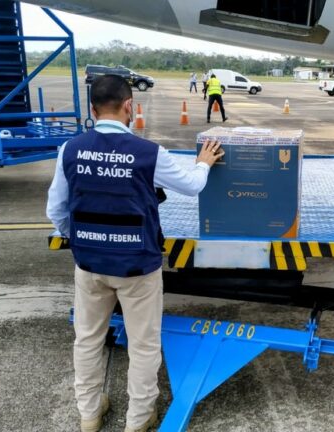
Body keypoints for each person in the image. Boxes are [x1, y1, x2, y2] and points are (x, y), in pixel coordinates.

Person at [46, 75, 224, 432]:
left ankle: (89, 414)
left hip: (90, 265)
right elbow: (191, 186)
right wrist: (203, 161)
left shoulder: (70, 149)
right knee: (143, 346)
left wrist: (81, 241)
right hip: (138, 266)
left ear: (93, 110)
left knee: (88, 340)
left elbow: (56, 210)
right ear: (130, 106)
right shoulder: (149, 153)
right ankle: (138, 420)